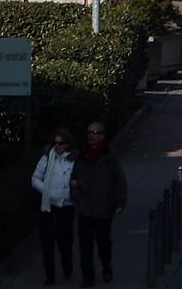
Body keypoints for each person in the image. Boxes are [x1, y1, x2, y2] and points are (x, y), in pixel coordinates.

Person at [70, 120, 128, 286]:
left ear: (102, 136)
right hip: (85, 209)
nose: (91, 136)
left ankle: (106, 266)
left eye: (95, 133)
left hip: (104, 208)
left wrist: (119, 203)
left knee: (103, 243)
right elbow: (73, 179)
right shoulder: (82, 156)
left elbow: (119, 181)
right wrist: (76, 195)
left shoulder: (110, 158)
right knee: (85, 247)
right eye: (89, 133)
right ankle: (88, 277)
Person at [30, 126, 77, 286]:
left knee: (64, 242)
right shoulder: (47, 158)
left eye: (61, 143)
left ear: (67, 144)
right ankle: (50, 276)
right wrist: (46, 191)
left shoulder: (74, 160)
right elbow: (35, 178)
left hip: (66, 206)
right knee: (47, 243)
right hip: (48, 206)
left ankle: (67, 265)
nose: (57, 146)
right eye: (55, 143)